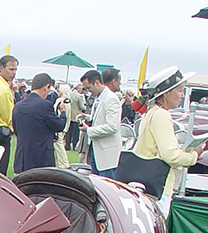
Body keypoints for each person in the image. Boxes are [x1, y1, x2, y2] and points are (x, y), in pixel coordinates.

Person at [133, 67, 199, 215]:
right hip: (158, 187)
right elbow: (171, 156)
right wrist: (194, 155)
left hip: (147, 184)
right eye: (179, 90)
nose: (182, 95)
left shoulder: (152, 112)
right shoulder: (161, 115)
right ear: (167, 93)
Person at [11, 73, 66, 174]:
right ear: (46, 87)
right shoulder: (45, 106)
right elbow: (59, 126)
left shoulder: (18, 106)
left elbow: (16, 129)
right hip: (41, 160)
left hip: (22, 159)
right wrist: (63, 113)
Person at [80, 67, 122, 177]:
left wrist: (88, 130)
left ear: (97, 82)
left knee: (107, 188)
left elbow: (112, 127)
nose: (88, 91)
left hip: (107, 157)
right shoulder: (99, 97)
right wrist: (88, 118)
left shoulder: (111, 99)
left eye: (89, 87)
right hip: (96, 151)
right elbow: (100, 118)